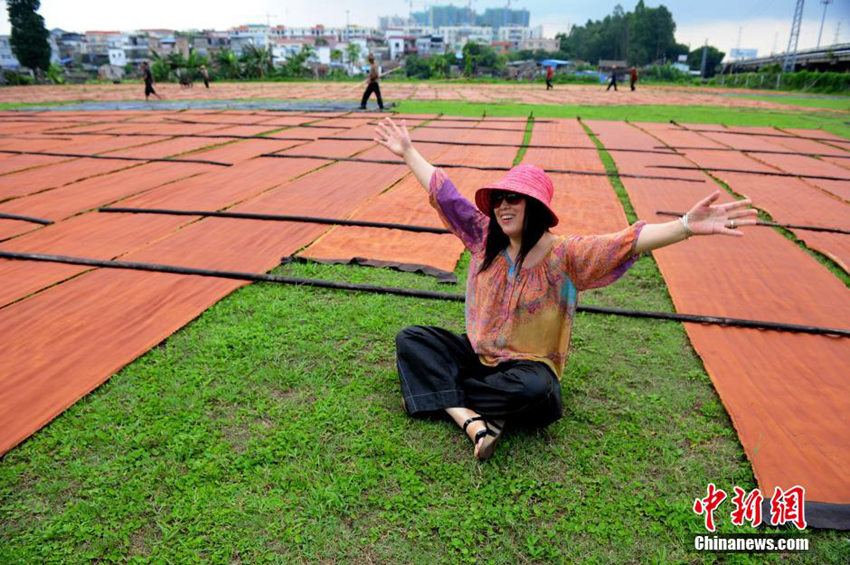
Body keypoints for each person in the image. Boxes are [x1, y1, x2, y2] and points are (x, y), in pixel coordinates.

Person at [373, 117, 757, 461]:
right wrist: (408, 151)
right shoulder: (483, 236)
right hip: (480, 357)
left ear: (535, 207)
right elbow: (446, 194)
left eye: (515, 199)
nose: (504, 206)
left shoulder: (566, 256)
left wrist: (686, 225)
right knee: (412, 339)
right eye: (500, 200)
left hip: (526, 369)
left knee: (537, 392)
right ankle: (471, 419)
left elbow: (627, 241)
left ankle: (446, 393)